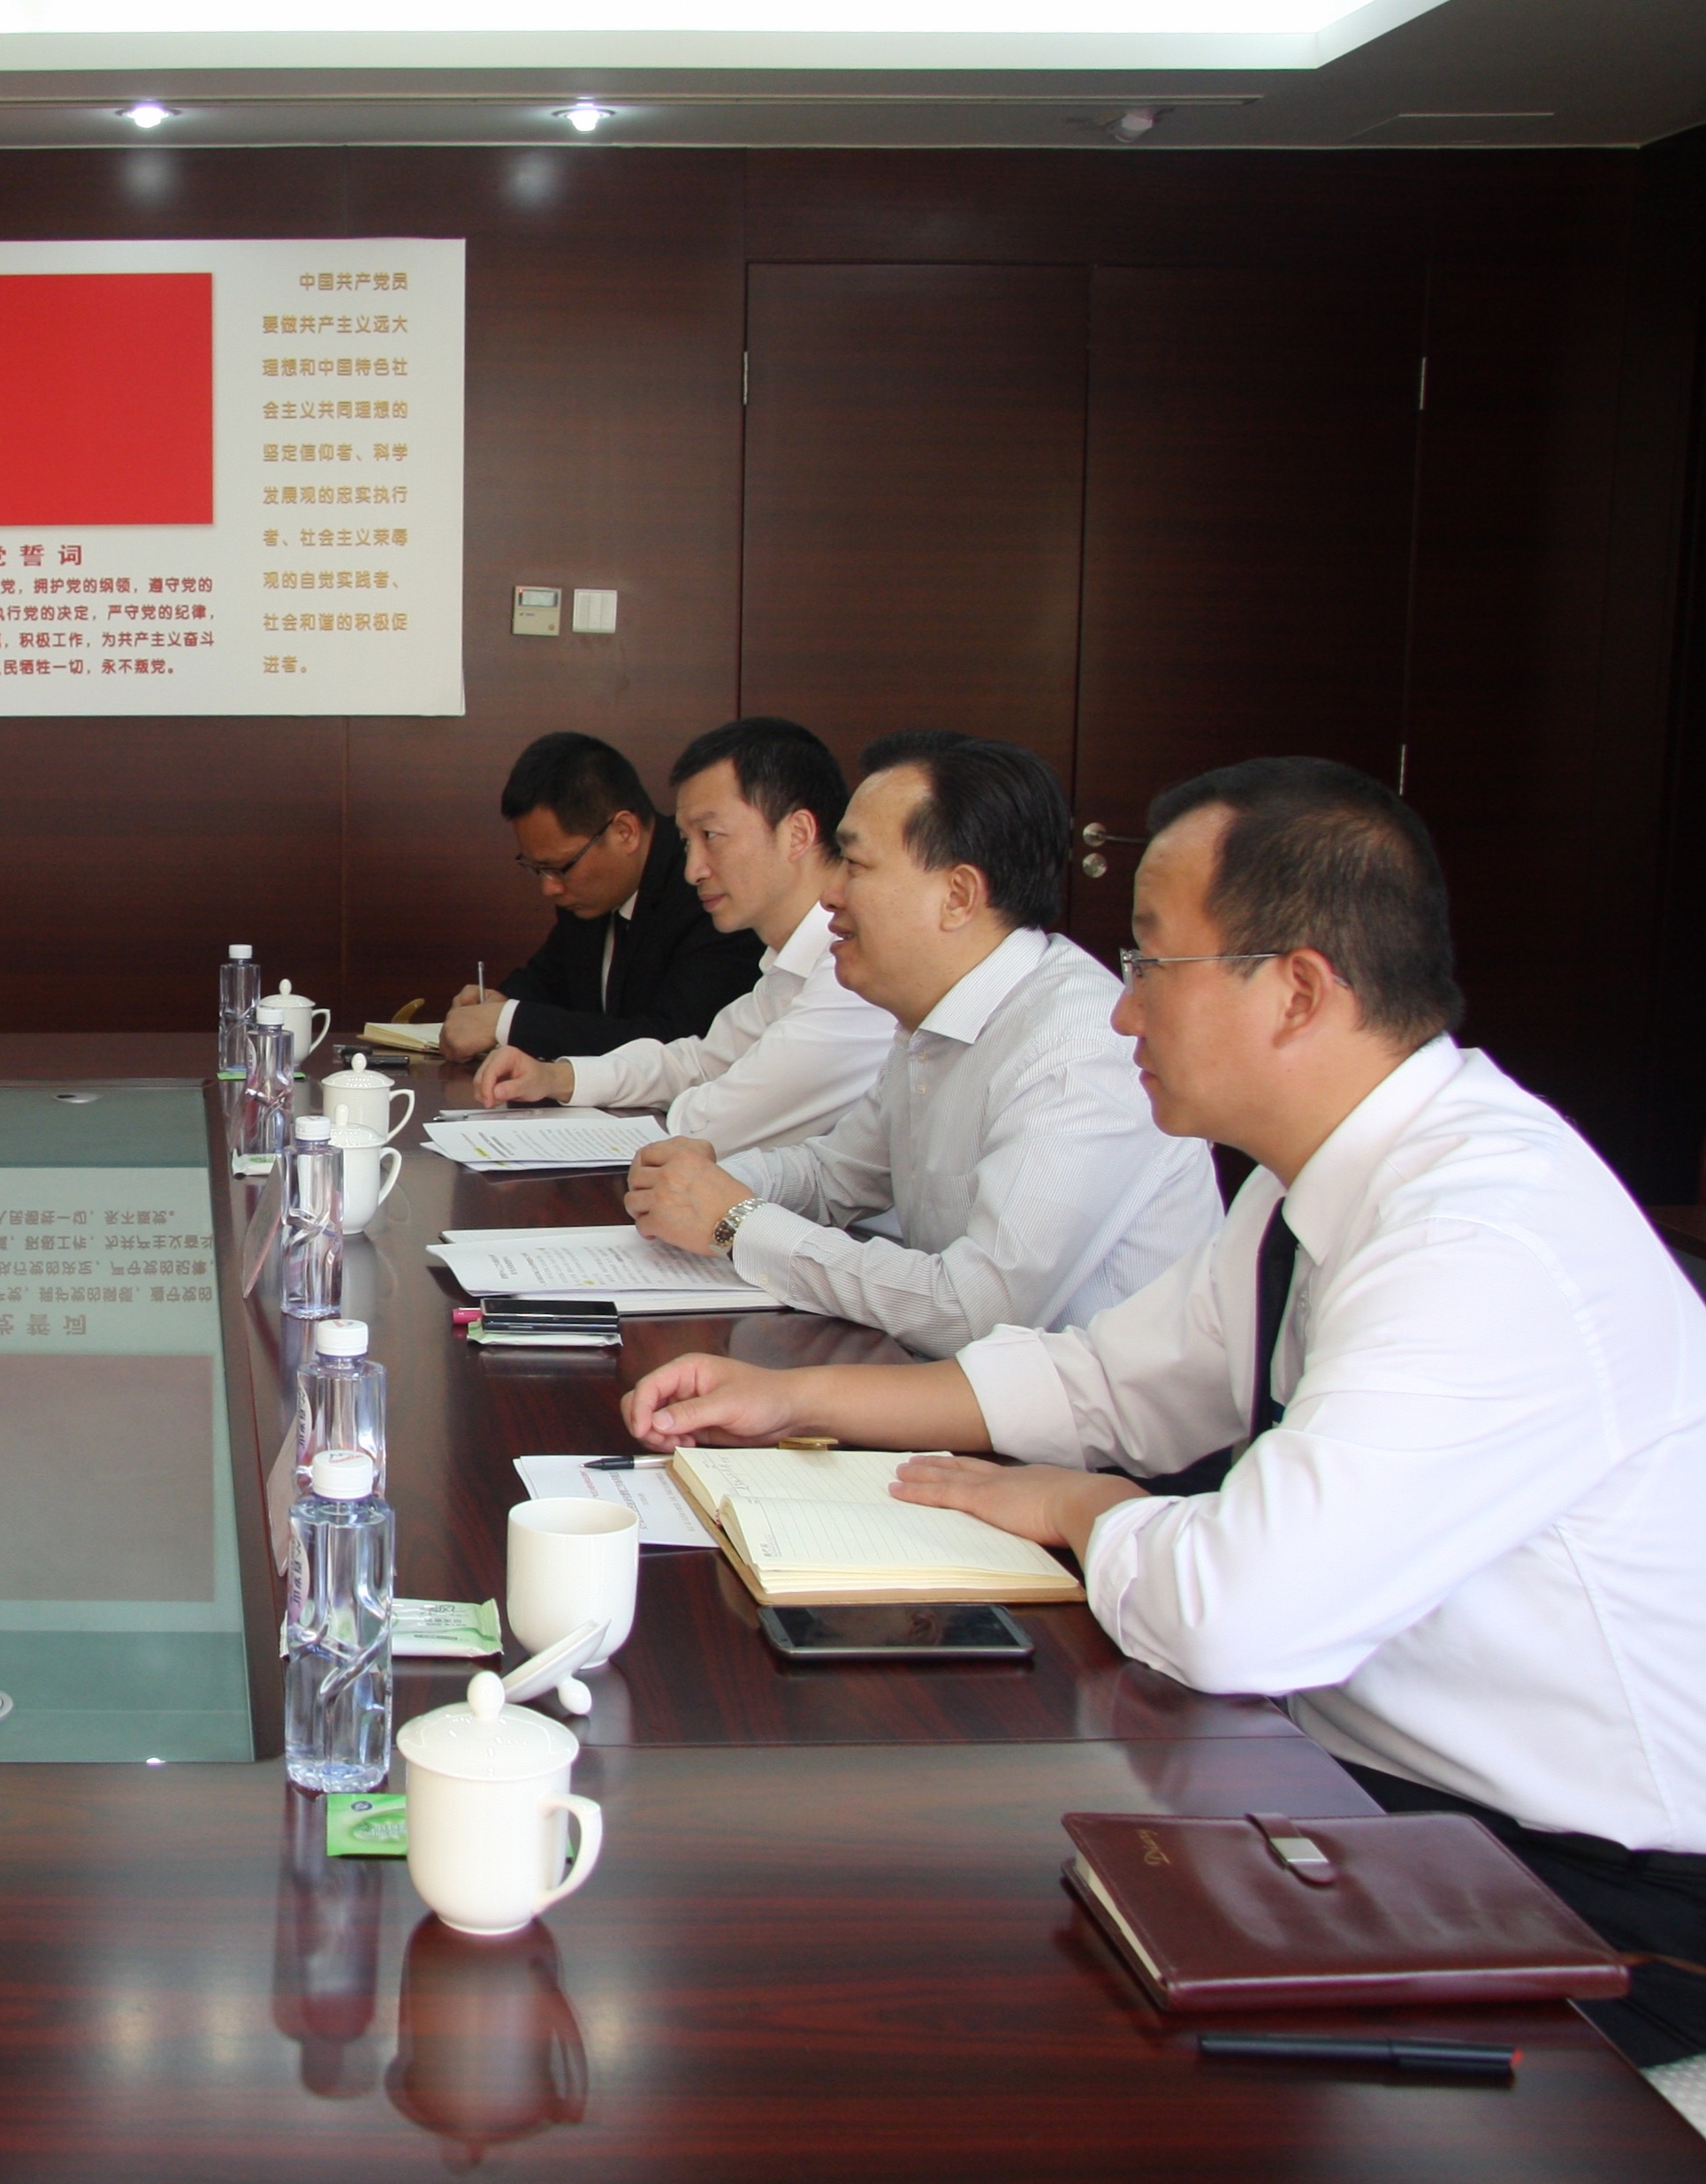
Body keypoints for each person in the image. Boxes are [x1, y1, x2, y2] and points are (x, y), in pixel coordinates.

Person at [621, 757, 1706, 2067]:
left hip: (1575, 1890)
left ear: (1296, 989)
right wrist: (795, 1395)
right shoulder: (1309, 1186)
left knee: (977, 2005)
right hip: (1352, 1787)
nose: (1122, 1006)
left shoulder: (1481, 1235)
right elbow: (1098, 1380)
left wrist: (1088, 1507)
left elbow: (1239, 1610)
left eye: (1152, 962)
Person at [624, 731, 1219, 1357]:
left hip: (1074, 1418)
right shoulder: (933, 1019)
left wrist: (736, 1222)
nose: (829, 894)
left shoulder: (1076, 1048)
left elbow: (973, 1311)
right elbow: (836, 1175)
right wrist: (707, 1180)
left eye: (854, 865)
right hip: (955, 1385)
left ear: (957, 896)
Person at [473, 716, 895, 1153]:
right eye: (688, 842)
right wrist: (558, 1077)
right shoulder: (787, 968)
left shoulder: (854, 976)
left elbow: (718, 1124)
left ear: (798, 834)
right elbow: (697, 1062)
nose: (693, 871)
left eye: (711, 836)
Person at [440, 731, 763, 1062]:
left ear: (625, 832)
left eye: (560, 868)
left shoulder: (706, 891)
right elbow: (547, 982)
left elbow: (677, 1041)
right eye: (538, 869)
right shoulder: (588, 898)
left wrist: (508, 1021)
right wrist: (494, 1005)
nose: (549, 888)